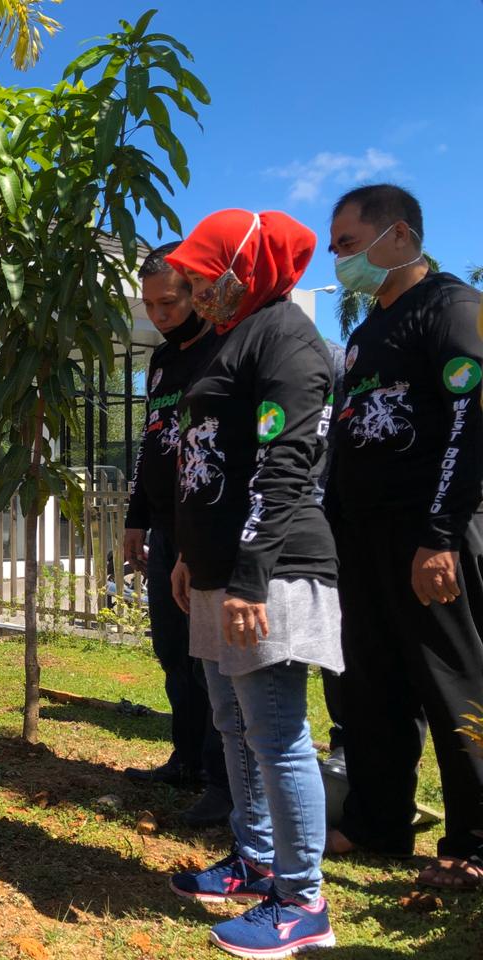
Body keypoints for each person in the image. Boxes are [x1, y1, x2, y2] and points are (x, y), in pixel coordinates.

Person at [166, 210, 340, 958]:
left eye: (208, 277)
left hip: (269, 571)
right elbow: (205, 458)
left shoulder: (287, 341)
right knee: (233, 728)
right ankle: (256, 858)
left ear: (249, 267)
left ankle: (302, 903)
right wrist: (188, 555)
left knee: (276, 735)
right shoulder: (234, 337)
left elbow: (286, 465)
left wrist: (246, 578)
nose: (198, 291)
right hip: (216, 572)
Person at [324, 183, 483, 889]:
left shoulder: (452, 309)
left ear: (400, 236)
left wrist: (440, 534)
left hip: (428, 538)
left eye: (349, 244)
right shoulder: (364, 334)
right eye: (335, 247)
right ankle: (377, 823)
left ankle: (475, 844)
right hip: (363, 541)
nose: (339, 259)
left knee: (454, 685)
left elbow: (468, 424)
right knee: (369, 687)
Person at [121, 242, 232, 828]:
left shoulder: (226, 350)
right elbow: (150, 444)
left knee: (208, 658)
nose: (159, 314)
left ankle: (222, 781)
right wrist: (136, 519)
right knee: (172, 652)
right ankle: (186, 759)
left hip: (208, 528)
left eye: (169, 302)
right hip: (163, 530)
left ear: (198, 292)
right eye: (150, 305)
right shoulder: (161, 361)